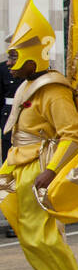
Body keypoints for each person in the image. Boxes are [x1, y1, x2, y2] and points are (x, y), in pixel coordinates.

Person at [0, 0, 78, 270]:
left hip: (37, 171)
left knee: (44, 237)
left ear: (33, 56)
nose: (9, 62)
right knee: (24, 234)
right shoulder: (27, 86)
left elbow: (72, 135)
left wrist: (51, 172)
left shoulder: (53, 90)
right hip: (14, 168)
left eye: (14, 55)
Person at [1, 55, 17, 237]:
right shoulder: (2, 69)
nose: (9, 63)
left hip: (32, 134)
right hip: (8, 122)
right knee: (7, 171)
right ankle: (10, 217)